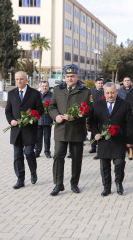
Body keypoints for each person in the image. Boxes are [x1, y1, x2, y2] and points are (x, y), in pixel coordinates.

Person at [48, 64, 92, 196]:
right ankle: (58, 184)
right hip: (61, 130)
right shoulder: (57, 90)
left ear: (77, 76)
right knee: (58, 157)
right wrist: (56, 116)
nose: (70, 79)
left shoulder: (85, 91)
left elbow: (90, 109)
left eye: (72, 76)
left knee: (76, 158)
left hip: (76, 130)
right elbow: (51, 106)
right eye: (67, 76)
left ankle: (74, 184)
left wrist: (75, 117)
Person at [90, 82, 133, 196]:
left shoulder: (125, 104)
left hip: (119, 140)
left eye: (112, 92)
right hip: (103, 141)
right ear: (104, 93)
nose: (110, 95)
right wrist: (95, 133)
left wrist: (130, 141)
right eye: (108, 93)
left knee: (119, 164)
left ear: (116, 92)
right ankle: (106, 187)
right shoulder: (98, 105)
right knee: (104, 165)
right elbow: (93, 122)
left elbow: (130, 124)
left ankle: (119, 184)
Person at [5, 71, 43, 189]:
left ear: (26, 80)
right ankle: (20, 179)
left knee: (28, 153)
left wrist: (32, 117)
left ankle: (33, 172)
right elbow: (8, 111)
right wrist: (11, 121)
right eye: (17, 79)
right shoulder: (11, 94)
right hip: (16, 130)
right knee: (17, 156)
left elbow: (40, 110)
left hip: (30, 130)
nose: (19, 81)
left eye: (21, 79)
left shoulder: (35, 93)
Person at [34, 81, 53, 158]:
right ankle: (37, 151)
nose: (44, 87)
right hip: (38, 120)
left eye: (46, 86)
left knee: (47, 138)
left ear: (48, 87)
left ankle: (47, 152)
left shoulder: (52, 95)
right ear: (40, 87)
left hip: (48, 120)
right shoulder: (36, 95)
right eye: (43, 86)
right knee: (38, 138)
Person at [89, 78, 104, 156]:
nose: (100, 84)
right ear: (95, 84)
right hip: (93, 113)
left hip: (102, 113)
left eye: (101, 83)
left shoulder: (104, 91)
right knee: (93, 131)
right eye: (99, 83)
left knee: (101, 130)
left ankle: (100, 148)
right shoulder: (91, 91)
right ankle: (93, 147)